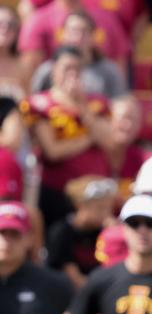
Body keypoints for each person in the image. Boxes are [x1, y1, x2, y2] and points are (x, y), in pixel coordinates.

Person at [22, 46, 113, 229]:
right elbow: (53, 151)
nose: (72, 74)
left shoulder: (97, 103)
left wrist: (82, 107)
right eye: (67, 68)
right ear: (54, 70)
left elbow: (109, 141)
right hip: (58, 190)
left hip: (95, 192)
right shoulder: (39, 104)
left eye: (77, 69)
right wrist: (89, 140)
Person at [46, 175, 116, 288]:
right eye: (100, 208)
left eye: (109, 208)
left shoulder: (106, 231)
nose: (106, 214)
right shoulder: (62, 233)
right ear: (81, 205)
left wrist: (115, 236)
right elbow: (74, 278)